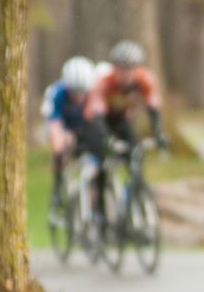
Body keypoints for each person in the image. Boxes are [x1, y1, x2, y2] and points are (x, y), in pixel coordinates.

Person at [41, 56, 105, 206]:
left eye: (82, 92)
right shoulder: (57, 93)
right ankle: (58, 186)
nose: (78, 96)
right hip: (64, 126)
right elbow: (54, 123)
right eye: (74, 91)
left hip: (84, 126)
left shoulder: (93, 93)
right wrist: (59, 146)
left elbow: (97, 119)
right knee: (62, 145)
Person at [88, 40, 169, 154]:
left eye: (129, 68)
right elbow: (97, 114)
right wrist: (108, 139)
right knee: (101, 152)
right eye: (121, 68)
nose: (125, 73)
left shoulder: (146, 79)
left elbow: (153, 108)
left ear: (137, 68)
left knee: (135, 151)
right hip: (102, 120)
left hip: (122, 119)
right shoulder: (105, 82)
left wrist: (158, 133)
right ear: (115, 68)